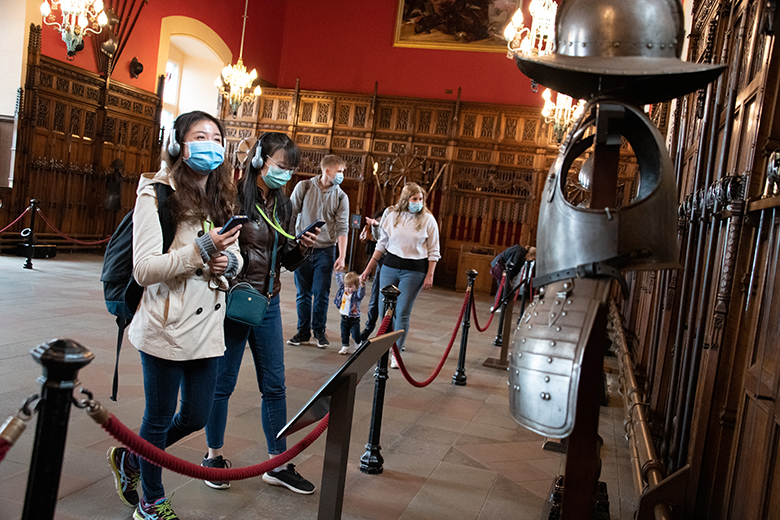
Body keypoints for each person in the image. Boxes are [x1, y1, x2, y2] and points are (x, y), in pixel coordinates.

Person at [107, 110, 242, 520]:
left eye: (216, 137)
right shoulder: (156, 192)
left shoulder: (221, 195)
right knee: (159, 416)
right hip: (165, 325)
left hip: (206, 329)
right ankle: (151, 499)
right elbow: (144, 268)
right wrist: (203, 251)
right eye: (199, 135)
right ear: (178, 145)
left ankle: (132, 460)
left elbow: (232, 254)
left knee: (196, 415)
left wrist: (226, 263)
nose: (210, 143)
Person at [201, 132, 318, 495]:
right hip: (237, 302)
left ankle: (277, 463)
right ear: (259, 160)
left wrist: (302, 249)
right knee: (222, 384)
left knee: (276, 385)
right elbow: (216, 247)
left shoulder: (281, 204)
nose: (286, 174)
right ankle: (213, 458)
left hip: (267, 302)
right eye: (281, 166)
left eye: (291, 169)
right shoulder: (231, 196)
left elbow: (281, 260)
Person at [360, 182, 440, 368]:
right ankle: (383, 347)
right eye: (414, 199)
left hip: (414, 270)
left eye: (420, 199)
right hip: (390, 266)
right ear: (406, 199)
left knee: (402, 311)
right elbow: (382, 243)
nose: (418, 202)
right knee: (384, 311)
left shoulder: (428, 220)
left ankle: (396, 351)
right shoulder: (393, 215)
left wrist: (430, 274)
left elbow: (434, 250)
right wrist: (368, 268)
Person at [287, 155, 350, 348]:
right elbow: (290, 214)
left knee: (321, 293)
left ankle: (319, 332)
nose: (341, 175)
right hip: (303, 247)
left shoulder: (341, 196)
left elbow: (342, 227)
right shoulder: (304, 187)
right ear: (328, 171)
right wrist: (289, 242)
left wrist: (341, 255)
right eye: (339, 171)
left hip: (325, 250)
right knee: (303, 293)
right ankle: (303, 332)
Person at [360, 207, 386, 341]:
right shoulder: (381, 221)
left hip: (396, 264)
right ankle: (368, 327)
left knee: (391, 303)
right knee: (375, 299)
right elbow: (378, 239)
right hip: (382, 263)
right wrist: (375, 226)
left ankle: (389, 333)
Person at [333, 271, 365, 355]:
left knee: (355, 334)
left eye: (350, 287)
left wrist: (362, 286)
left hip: (354, 319)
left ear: (356, 286)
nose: (347, 288)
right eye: (346, 286)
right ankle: (345, 346)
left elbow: (361, 294)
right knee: (344, 333)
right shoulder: (343, 292)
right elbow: (340, 283)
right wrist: (338, 273)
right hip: (344, 318)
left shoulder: (356, 296)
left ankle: (358, 344)